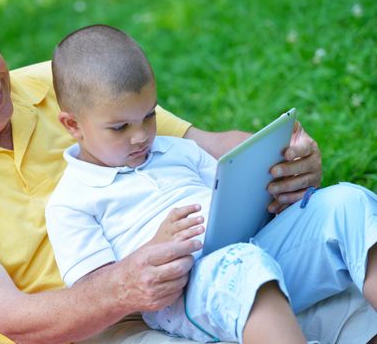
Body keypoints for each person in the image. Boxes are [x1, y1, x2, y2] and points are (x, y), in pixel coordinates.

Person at [0, 0, 375, 343]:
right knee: (254, 292)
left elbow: (207, 145)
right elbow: (14, 321)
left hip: (203, 267)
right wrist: (125, 286)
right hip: (94, 333)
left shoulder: (62, 82)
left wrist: (286, 157)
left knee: (344, 266)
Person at [45, 24, 377, 344]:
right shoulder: (71, 202)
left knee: (348, 203)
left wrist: (270, 192)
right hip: (186, 295)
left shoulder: (177, 150)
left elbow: (231, 194)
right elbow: (98, 292)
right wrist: (152, 251)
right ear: (73, 124)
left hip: (254, 248)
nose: (141, 136)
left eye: (149, 115)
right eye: (120, 128)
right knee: (244, 266)